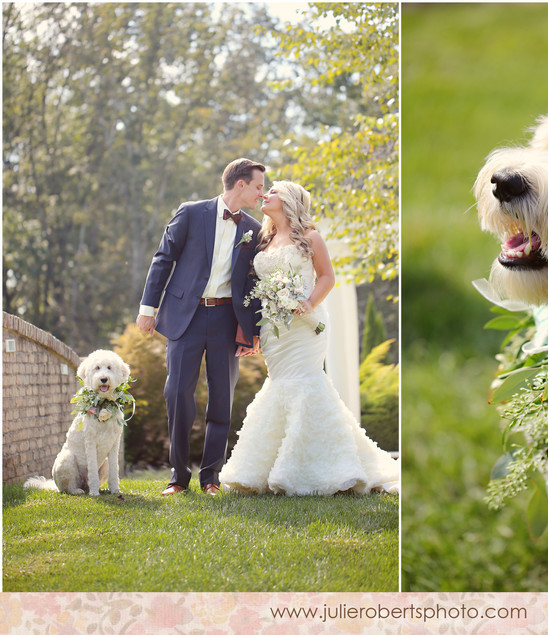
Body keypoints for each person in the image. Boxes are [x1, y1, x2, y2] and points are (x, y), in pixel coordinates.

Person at [219, 181, 399, 495]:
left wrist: (308, 303)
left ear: (289, 201)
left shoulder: (310, 237)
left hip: (306, 327)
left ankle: (321, 468)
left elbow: (328, 276)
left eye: (273, 192)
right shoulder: (264, 239)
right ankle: (265, 467)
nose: (266, 194)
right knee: (280, 385)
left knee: (306, 383)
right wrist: (254, 330)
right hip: (274, 328)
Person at [136, 158, 265, 496]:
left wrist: (252, 330)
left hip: (226, 320)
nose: (261, 194)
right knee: (177, 393)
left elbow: (255, 284)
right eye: (258, 186)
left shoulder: (253, 228)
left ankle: (211, 477)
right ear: (240, 184)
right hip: (185, 316)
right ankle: (178, 477)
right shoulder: (191, 212)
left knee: (222, 397)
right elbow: (163, 258)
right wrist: (148, 308)